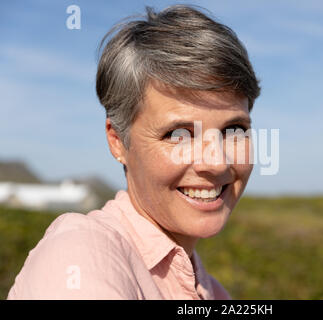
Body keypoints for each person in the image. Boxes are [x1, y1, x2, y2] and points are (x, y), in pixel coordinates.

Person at [7, 4, 260, 299]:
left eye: (234, 131)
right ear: (117, 141)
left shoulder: (211, 289)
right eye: (179, 135)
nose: (217, 162)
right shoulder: (81, 253)